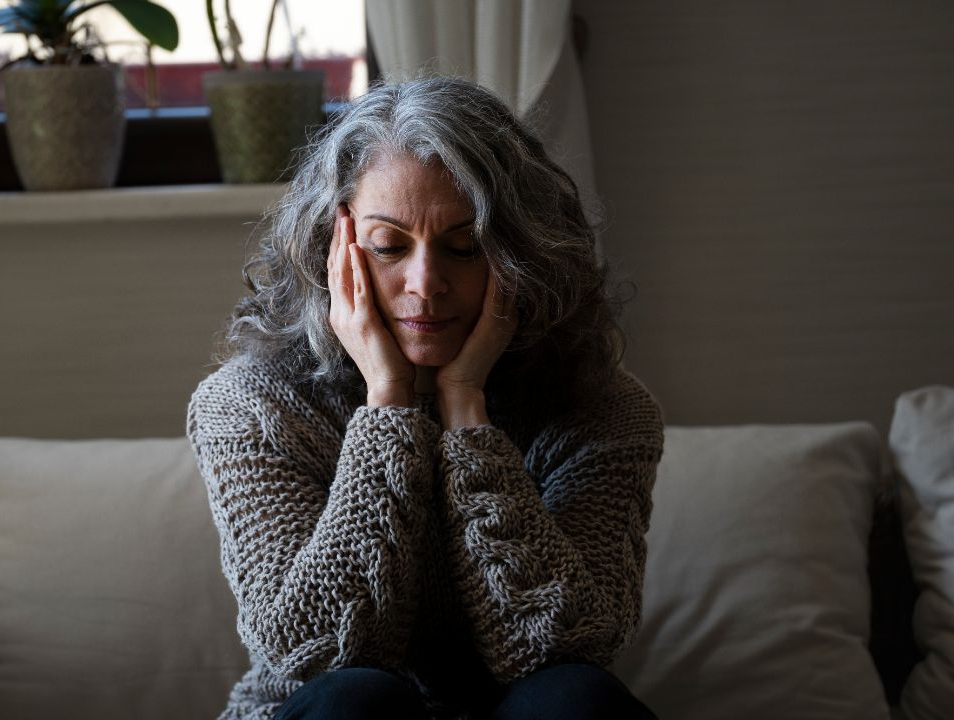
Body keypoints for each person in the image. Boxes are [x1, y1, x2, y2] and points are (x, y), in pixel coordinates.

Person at [187, 76, 664, 720]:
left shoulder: (603, 411)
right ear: (332, 251)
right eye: (388, 247)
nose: (426, 283)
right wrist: (387, 406)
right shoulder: (249, 408)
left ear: (522, 252)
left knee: (573, 697)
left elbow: (567, 641)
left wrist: (466, 410)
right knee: (355, 698)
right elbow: (314, 653)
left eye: (465, 247)